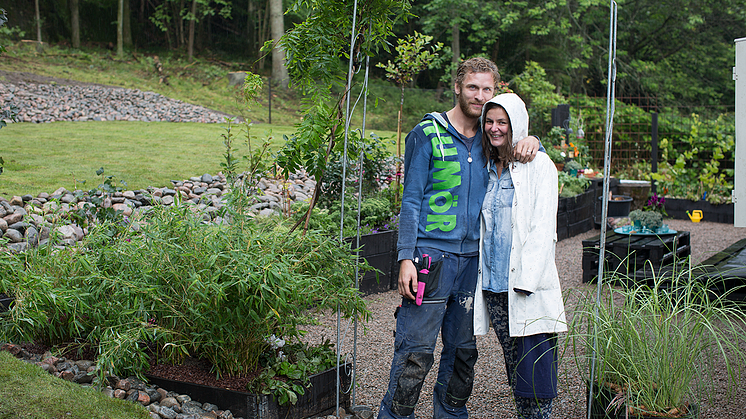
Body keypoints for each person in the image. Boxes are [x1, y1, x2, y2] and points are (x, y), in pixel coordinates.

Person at [377, 57, 542, 419]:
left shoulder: (492, 139)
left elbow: (529, 160)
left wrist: (533, 139)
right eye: (472, 87)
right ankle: (395, 415)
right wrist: (406, 257)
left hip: (473, 265)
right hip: (430, 260)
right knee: (414, 353)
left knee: (463, 353)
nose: (479, 95)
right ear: (457, 87)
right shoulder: (428, 133)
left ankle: (450, 414)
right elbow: (411, 199)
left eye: (487, 89)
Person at [473, 93, 567, 419]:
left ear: (517, 125)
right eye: (489, 121)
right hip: (494, 290)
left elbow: (543, 231)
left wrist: (525, 283)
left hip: (525, 290)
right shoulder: (484, 166)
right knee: (514, 370)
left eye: (503, 122)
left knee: (536, 374)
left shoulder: (539, 166)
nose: (494, 128)